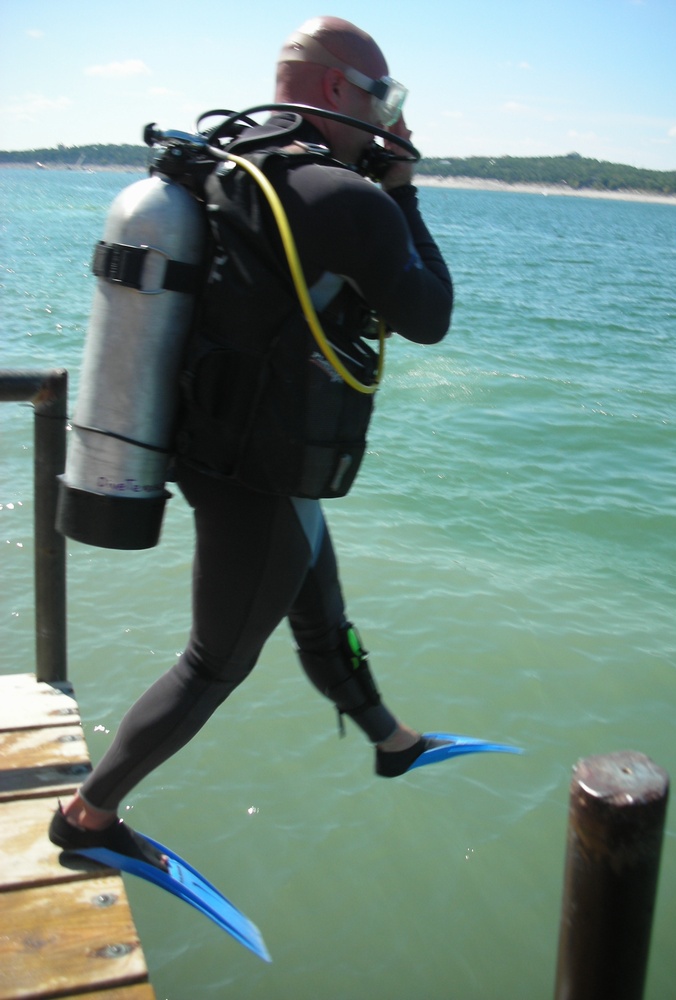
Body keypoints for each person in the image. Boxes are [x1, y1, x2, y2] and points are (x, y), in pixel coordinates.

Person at [50, 16, 453, 867]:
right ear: (342, 90)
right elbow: (431, 315)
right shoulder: (348, 197)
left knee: (319, 609)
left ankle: (390, 737)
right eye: (383, 99)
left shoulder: (222, 166)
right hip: (258, 469)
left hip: (208, 441)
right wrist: (405, 185)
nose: (388, 118)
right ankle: (88, 817)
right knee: (215, 660)